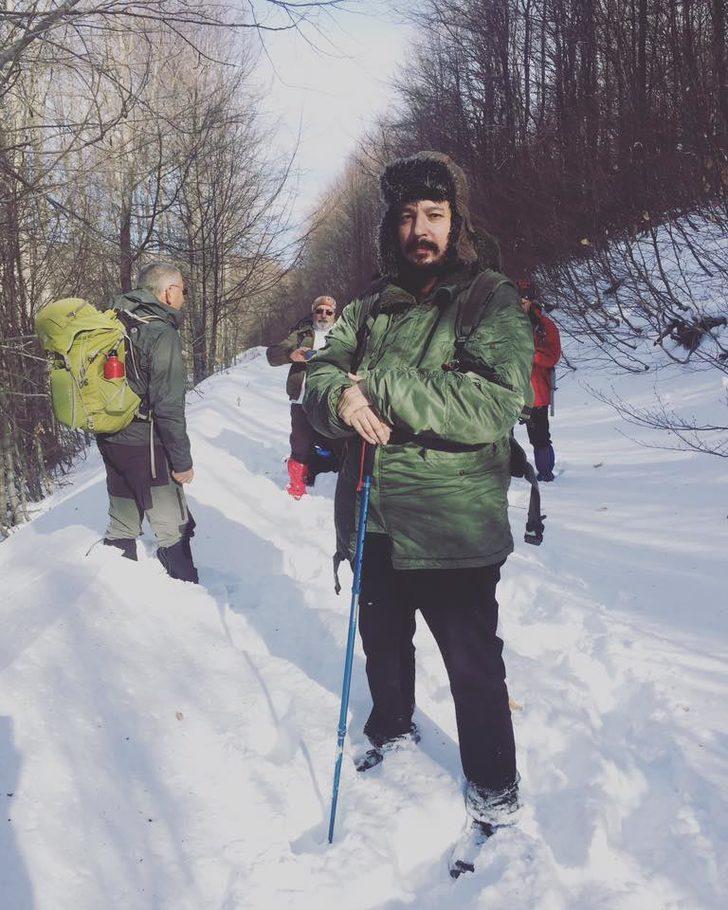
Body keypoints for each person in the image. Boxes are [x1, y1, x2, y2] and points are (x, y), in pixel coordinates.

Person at [304, 152, 534, 857]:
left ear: (456, 221)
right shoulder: (370, 304)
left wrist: (376, 384)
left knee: (472, 665)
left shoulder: (488, 298)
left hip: (452, 525)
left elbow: (493, 404)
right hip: (373, 513)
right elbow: (320, 371)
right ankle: (392, 727)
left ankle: (494, 789)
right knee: (382, 641)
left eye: (433, 214)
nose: (419, 230)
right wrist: (340, 398)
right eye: (406, 217)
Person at [96, 262, 198, 583]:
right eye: (183, 290)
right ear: (168, 292)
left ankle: (115, 586)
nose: (184, 296)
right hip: (146, 444)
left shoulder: (114, 319)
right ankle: (189, 592)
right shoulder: (160, 332)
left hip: (110, 436)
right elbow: (168, 406)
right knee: (173, 528)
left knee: (122, 523)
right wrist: (182, 463)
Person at [266, 295, 339, 499]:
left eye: (329, 312)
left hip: (330, 398)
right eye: (319, 310)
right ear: (313, 312)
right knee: (300, 443)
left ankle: (330, 483)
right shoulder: (301, 333)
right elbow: (272, 355)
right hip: (302, 397)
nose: (324, 315)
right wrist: (291, 354)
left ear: (334, 314)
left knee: (334, 443)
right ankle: (297, 485)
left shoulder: (343, 334)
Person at [517, 277, 561, 482]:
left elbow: (553, 356)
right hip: (508, 388)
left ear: (531, 300)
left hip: (536, 391)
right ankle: (512, 470)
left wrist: (531, 355)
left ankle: (545, 473)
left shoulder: (545, 326)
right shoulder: (504, 322)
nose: (520, 304)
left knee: (539, 436)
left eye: (524, 300)